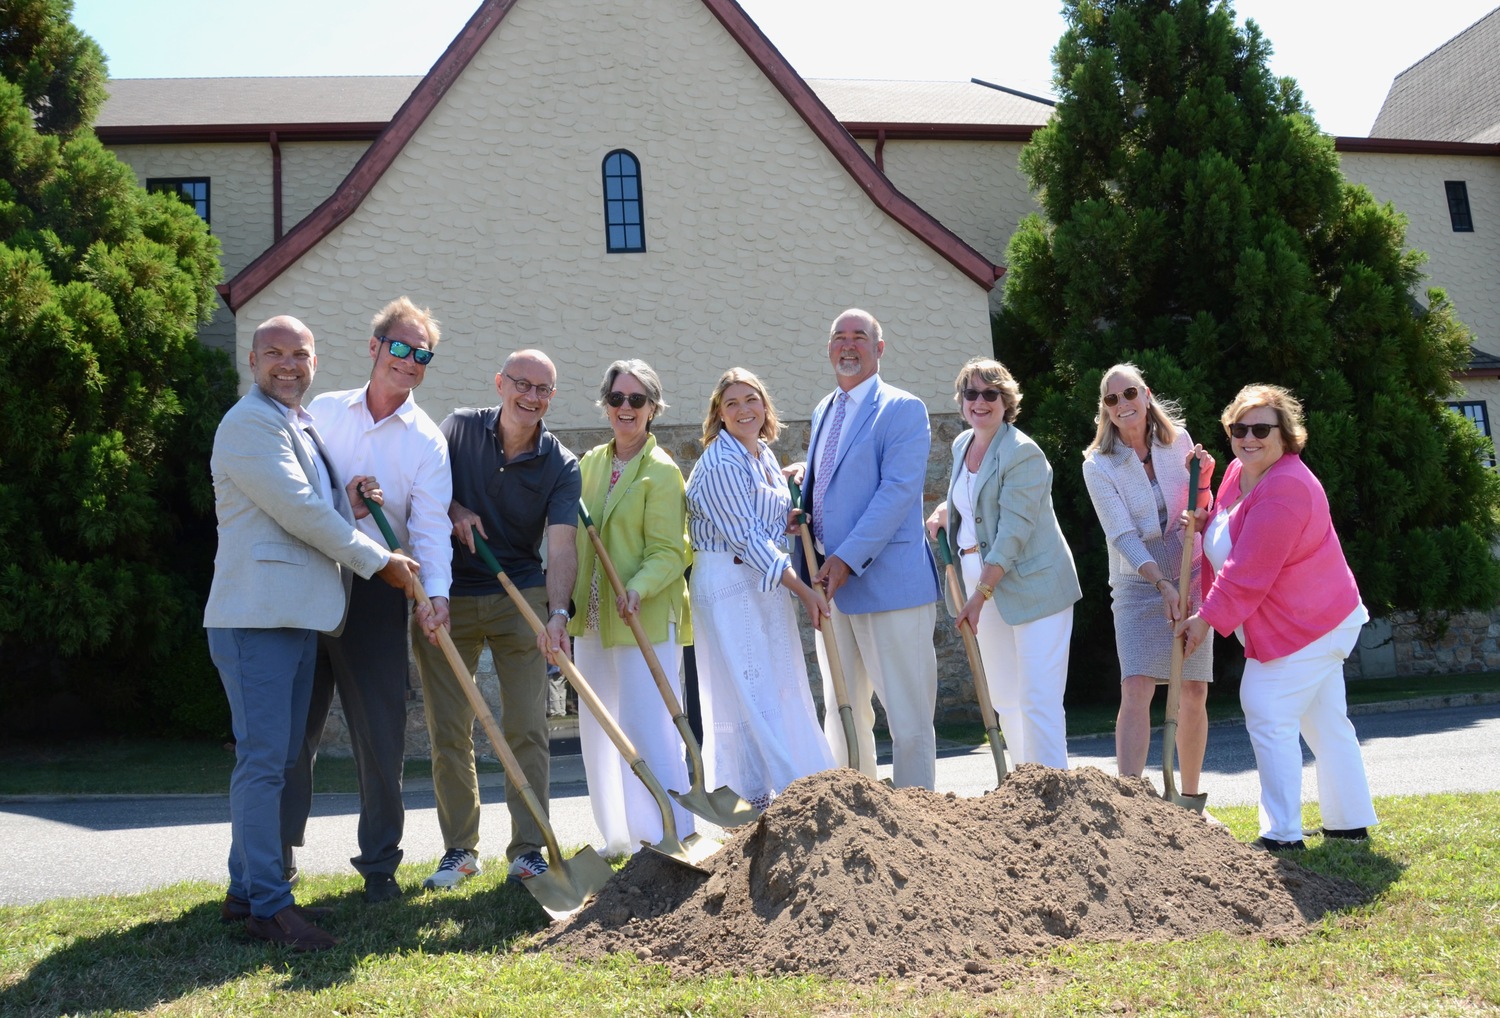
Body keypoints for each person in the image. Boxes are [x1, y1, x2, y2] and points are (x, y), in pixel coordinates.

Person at [204, 315, 419, 950]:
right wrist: (379, 559)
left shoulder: (295, 423)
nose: (288, 364)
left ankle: (246, 893)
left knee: (277, 758)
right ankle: (269, 907)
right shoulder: (247, 423)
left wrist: (346, 499)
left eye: (300, 353)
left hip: (295, 618)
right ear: (252, 360)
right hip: (256, 621)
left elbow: (308, 502)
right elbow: (296, 513)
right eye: (274, 353)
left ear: (316, 362)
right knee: (265, 763)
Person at [280, 297, 452, 903]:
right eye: (400, 348)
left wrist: (435, 596)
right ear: (375, 348)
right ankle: (277, 862)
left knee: (381, 735)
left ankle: (379, 866)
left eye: (422, 354)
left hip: (379, 593)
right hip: (309, 581)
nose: (409, 362)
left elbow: (429, 529)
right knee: (291, 731)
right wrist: (342, 499)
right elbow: (292, 493)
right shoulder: (321, 413)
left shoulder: (427, 441)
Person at [1178, 384, 1377, 852]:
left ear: (1285, 436)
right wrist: (1205, 519)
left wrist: (1203, 620)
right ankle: (1349, 824)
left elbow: (1247, 572)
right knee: (1325, 722)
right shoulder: (1238, 472)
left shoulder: (1287, 487)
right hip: (1307, 619)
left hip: (1312, 623)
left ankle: (1282, 834)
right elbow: (1232, 526)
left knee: (1266, 706)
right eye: (1239, 428)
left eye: (1261, 428)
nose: (1249, 437)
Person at [409, 350, 580, 888]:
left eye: (544, 389)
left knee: (527, 725)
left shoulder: (560, 464)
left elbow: (562, 547)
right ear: (500, 382)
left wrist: (555, 614)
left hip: (520, 593)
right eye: (523, 384)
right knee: (450, 727)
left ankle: (529, 849)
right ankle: (460, 850)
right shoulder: (458, 428)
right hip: (448, 594)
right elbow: (423, 490)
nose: (532, 397)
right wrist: (454, 510)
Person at [793, 309, 942, 790]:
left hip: (891, 588)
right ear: (829, 348)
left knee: (908, 721)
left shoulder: (903, 409)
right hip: (832, 591)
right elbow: (833, 482)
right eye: (839, 337)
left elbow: (897, 495)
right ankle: (862, 828)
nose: (848, 345)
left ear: (880, 348)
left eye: (860, 336)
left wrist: (843, 559)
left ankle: (918, 828)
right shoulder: (823, 411)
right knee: (844, 717)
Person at [685, 368, 835, 811]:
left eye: (751, 399)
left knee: (780, 680)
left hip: (762, 579)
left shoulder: (763, 454)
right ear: (718, 414)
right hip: (730, 582)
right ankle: (765, 795)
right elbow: (747, 539)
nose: (743, 409)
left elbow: (762, 523)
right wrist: (805, 592)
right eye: (731, 403)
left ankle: (801, 783)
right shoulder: (719, 462)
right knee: (751, 687)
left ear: (765, 406)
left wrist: (785, 519)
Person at [926, 357, 1080, 769]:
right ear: (961, 401)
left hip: (1034, 587)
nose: (980, 401)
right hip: (982, 585)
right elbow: (976, 503)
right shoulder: (963, 445)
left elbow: (1012, 532)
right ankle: (1025, 786)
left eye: (990, 394)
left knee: (1038, 698)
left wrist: (979, 595)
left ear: (1006, 400)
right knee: (1006, 698)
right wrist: (945, 511)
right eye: (971, 393)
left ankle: (1056, 794)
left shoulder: (1022, 453)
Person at [568, 359, 695, 855]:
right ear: (605, 405)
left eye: (637, 400)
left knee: (648, 725)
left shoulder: (661, 471)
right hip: (594, 617)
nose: (626, 407)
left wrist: (638, 588)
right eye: (617, 398)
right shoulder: (590, 464)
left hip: (640, 613)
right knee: (599, 729)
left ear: (653, 409)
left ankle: (670, 831)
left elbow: (671, 550)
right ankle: (619, 837)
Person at [1081, 363, 1214, 789]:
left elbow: (1199, 506)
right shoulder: (1098, 465)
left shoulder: (1180, 443)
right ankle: (1131, 798)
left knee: (1193, 689)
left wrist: (1205, 484)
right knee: (1137, 683)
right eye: (1112, 399)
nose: (1123, 405)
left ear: (1147, 394)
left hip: (1189, 568)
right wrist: (1160, 583)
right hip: (1138, 579)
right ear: (1105, 410)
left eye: (1130, 394)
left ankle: (1190, 799)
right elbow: (1120, 533)